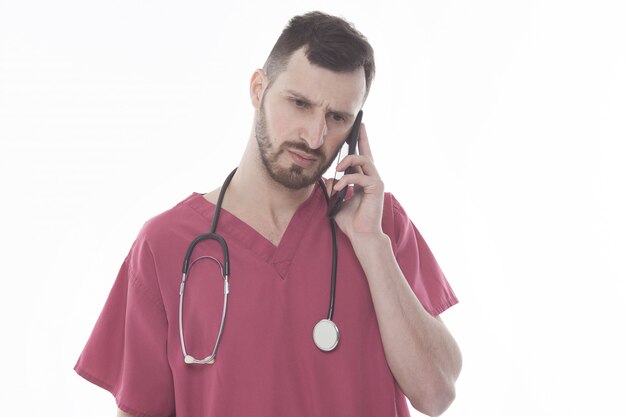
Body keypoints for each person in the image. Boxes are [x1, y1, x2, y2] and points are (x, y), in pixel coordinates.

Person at [75, 11, 462, 417]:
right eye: (299, 103)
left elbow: (437, 395)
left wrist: (372, 245)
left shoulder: (378, 223)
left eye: (337, 118)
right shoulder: (166, 245)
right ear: (259, 88)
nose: (314, 137)